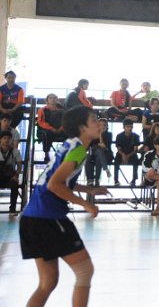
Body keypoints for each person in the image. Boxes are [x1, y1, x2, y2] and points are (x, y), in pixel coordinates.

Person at [19, 105, 108, 307]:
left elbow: (61, 179)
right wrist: (86, 204)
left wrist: (89, 190)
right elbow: (54, 184)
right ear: (82, 127)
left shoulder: (71, 145)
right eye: (94, 120)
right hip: (47, 218)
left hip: (31, 218)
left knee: (48, 282)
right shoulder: (78, 150)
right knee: (85, 271)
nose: (99, 123)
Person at [36, 94, 66, 163]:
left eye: (55, 98)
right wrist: (51, 128)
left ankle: (65, 154)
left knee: (70, 134)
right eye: (51, 98)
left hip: (60, 129)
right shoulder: (42, 110)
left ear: (57, 100)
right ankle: (46, 154)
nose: (53, 100)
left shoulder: (62, 110)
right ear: (47, 100)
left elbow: (65, 120)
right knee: (46, 134)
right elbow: (41, 122)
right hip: (46, 129)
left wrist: (60, 128)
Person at [85, 119, 113, 186]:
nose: (102, 126)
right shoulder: (93, 134)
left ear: (107, 126)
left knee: (99, 154)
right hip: (92, 153)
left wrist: (100, 134)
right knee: (87, 157)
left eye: (104, 125)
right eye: (100, 125)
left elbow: (104, 146)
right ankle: (90, 179)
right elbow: (89, 146)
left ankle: (96, 179)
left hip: (105, 154)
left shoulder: (109, 134)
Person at [0, 130, 22, 215]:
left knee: (15, 184)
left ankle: (12, 209)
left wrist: (16, 175)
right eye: (4, 138)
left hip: (9, 176)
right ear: (0, 140)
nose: (6, 140)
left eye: (9, 138)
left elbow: (19, 166)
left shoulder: (15, 151)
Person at [114, 119, 141, 186]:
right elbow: (119, 149)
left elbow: (135, 150)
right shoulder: (119, 136)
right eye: (128, 127)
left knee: (136, 160)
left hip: (132, 154)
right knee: (116, 160)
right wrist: (123, 155)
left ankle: (134, 180)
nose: (130, 128)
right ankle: (116, 180)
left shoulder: (136, 136)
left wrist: (128, 156)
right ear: (124, 127)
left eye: (131, 127)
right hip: (121, 154)